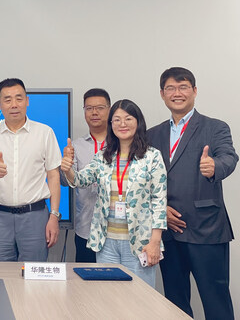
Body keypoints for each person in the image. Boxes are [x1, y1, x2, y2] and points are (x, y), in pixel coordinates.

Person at [147, 67, 237, 319]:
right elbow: (143, 178)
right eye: (170, 88)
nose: (177, 93)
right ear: (162, 94)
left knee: (215, 298)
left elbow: (229, 157)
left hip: (205, 228)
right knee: (174, 301)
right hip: (168, 229)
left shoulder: (215, 127)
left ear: (194, 91)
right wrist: (159, 210)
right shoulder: (152, 134)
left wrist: (215, 166)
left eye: (183, 87)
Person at [61, 99, 167, 287]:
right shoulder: (103, 156)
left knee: (139, 297)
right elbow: (80, 180)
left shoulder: (152, 156)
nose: (122, 124)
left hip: (139, 243)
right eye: (117, 120)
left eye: (128, 118)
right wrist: (68, 169)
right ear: (111, 124)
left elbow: (159, 200)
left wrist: (155, 241)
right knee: (108, 295)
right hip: (106, 242)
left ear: (138, 122)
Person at [0, 78, 61, 262]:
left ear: (27, 101)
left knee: (33, 273)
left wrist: (54, 216)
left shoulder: (44, 133)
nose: (14, 104)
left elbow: (53, 176)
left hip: (35, 217)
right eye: (7, 99)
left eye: (19, 98)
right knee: (0, 274)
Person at [60, 88, 111, 263]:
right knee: (86, 277)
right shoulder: (76, 146)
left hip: (116, 230)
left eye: (100, 108)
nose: (94, 112)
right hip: (85, 229)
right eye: (89, 108)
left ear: (109, 109)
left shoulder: (122, 144)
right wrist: (65, 167)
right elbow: (66, 182)